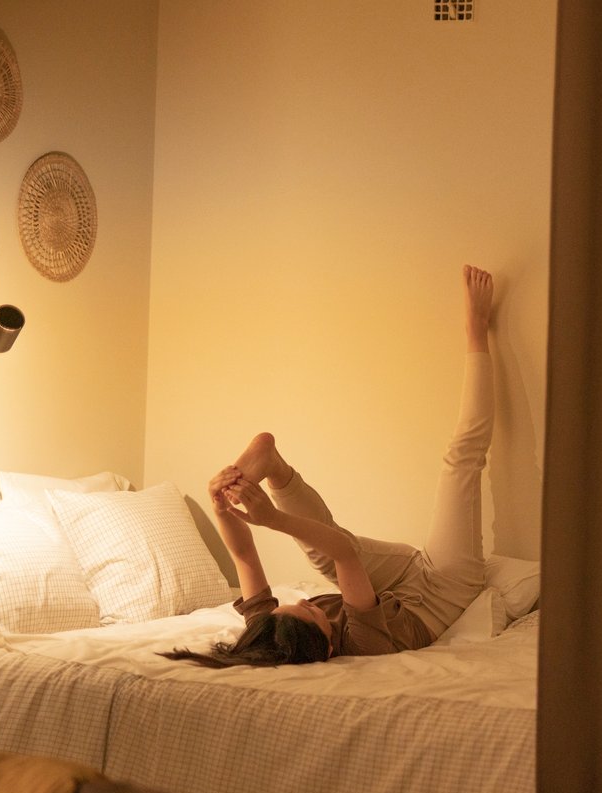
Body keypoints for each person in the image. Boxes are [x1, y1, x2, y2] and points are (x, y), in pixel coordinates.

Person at [163, 265, 495, 668]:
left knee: (319, 558)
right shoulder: (363, 644)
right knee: (460, 460)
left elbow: (245, 556)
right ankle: (477, 330)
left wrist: (222, 506)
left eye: (295, 605)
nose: (305, 600)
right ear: (331, 648)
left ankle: (273, 468)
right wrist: (270, 520)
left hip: (391, 585)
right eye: (312, 612)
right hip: (444, 588)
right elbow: (346, 551)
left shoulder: (272, 632)